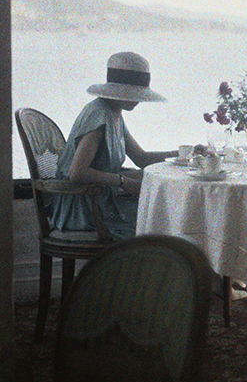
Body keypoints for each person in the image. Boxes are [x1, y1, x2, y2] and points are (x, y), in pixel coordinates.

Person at [51, 51, 178, 240]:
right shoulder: (98, 115)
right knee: (160, 225)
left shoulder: (114, 112)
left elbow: (141, 158)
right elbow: (77, 172)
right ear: (117, 91)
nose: (138, 100)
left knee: (161, 218)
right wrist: (123, 181)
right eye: (133, 94)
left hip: (100, 199)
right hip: (83, 208)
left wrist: (183, 154)